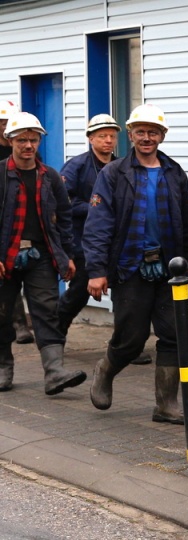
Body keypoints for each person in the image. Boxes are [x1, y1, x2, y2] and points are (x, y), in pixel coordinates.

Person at [84, 103, 188, 424]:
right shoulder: (114, 173)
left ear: (162, 135)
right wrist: (96, 271)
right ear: (131, 135)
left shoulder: (174, 173)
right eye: (141, 132)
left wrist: (187, 261)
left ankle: (166, 405)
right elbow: (98, 225)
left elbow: (185, 222)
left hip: (167, 268)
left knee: (173, 335)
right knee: (132, 339)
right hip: (129, 266)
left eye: (153, 132)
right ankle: (106, 368)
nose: (147, 137)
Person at [0, 112, 86, 394]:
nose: (28, 145)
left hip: (41, 256)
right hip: (5, 256)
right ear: (10, 140)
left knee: (47, 312)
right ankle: (3, 368)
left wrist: (68, 255)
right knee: (1, 314)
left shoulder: (49, 177)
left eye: (33, 140)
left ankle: (54, 372)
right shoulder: (1, 174)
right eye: (22, 139)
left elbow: (64, 218)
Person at [57, 114, 151, 366]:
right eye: (102, 136)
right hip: (84, 243)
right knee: (78, 293)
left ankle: (126, 346)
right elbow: (62, 202)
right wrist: (96, 209)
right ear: (90, 139)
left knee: (125, 294)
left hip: (118, 244)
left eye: (112, 135)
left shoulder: (121, 166)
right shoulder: (76, 167)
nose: (108, 140)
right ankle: (55, 336)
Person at [0, 100, 36, 346]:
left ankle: (22, 324)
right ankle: (17, 325)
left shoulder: (27, 149)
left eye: (6, 123)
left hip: (23, 222)